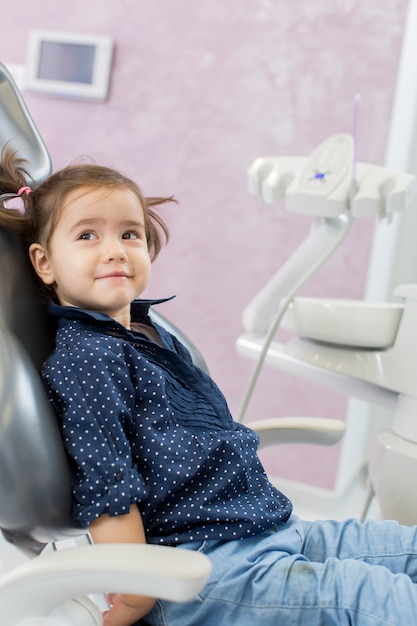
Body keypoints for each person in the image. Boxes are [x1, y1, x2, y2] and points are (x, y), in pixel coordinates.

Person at [1, 144, 417, 626]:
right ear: (44, 262)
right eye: (88, 235)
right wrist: (137, 590)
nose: (115, 249)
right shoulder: (88, 360)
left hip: (272, 526)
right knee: (390, 603)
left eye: (129, 234)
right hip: (211, 563)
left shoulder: (146, 331)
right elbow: (107, 485)